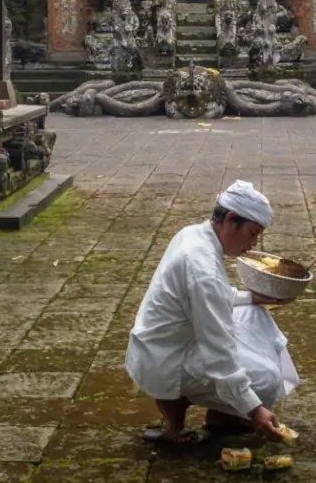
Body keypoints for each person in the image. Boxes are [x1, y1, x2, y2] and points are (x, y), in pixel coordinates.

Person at [125, 180, 300, 444]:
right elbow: (219, 355)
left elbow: (205, 297)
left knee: (255, 314)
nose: (253, 244)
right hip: (166, 356)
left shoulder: (194, 233)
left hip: (173, 337)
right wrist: (254, 409)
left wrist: (251, 297)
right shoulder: (201, 268)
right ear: (230, 219)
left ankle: (222, 416)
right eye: (252, 233)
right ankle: (187, 418)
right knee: (266, 378)